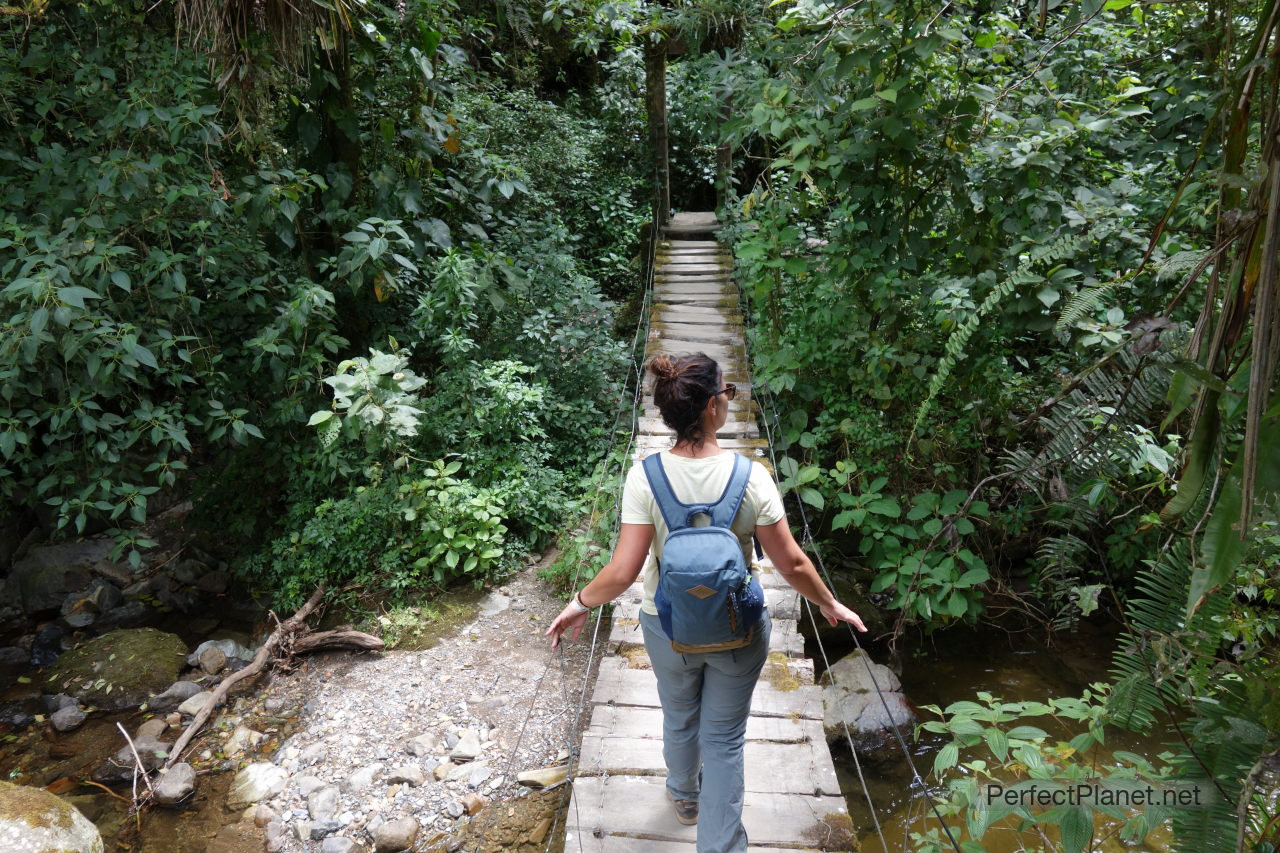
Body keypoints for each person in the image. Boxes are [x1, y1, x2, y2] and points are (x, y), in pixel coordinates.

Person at [546, 352, 867, 853]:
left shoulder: (644, 477)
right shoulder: (752, 476)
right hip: (738, 629)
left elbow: (623, 570)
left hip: (666, 625)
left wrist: (580, 602)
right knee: (723, 739)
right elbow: (793, 565)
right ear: (714, 407)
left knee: (678, 715)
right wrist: (829, 604)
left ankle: (683, 795)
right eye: (729, 393)